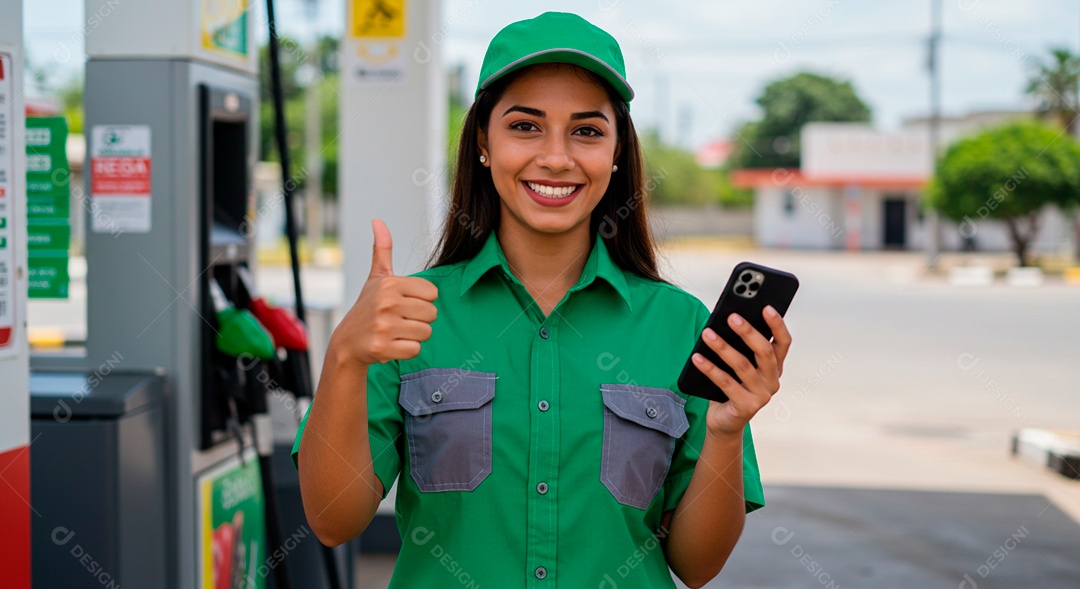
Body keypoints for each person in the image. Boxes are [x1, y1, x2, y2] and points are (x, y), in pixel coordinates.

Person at [292, 11, 792, 588]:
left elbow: (697, 567)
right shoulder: (409, 318)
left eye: (586, 130)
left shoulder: (680, 326)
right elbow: (332, 522)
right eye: (525, 126)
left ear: (617, 152)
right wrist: (345, 357)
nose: (556, 157)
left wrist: (726, 430)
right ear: (483, 142)